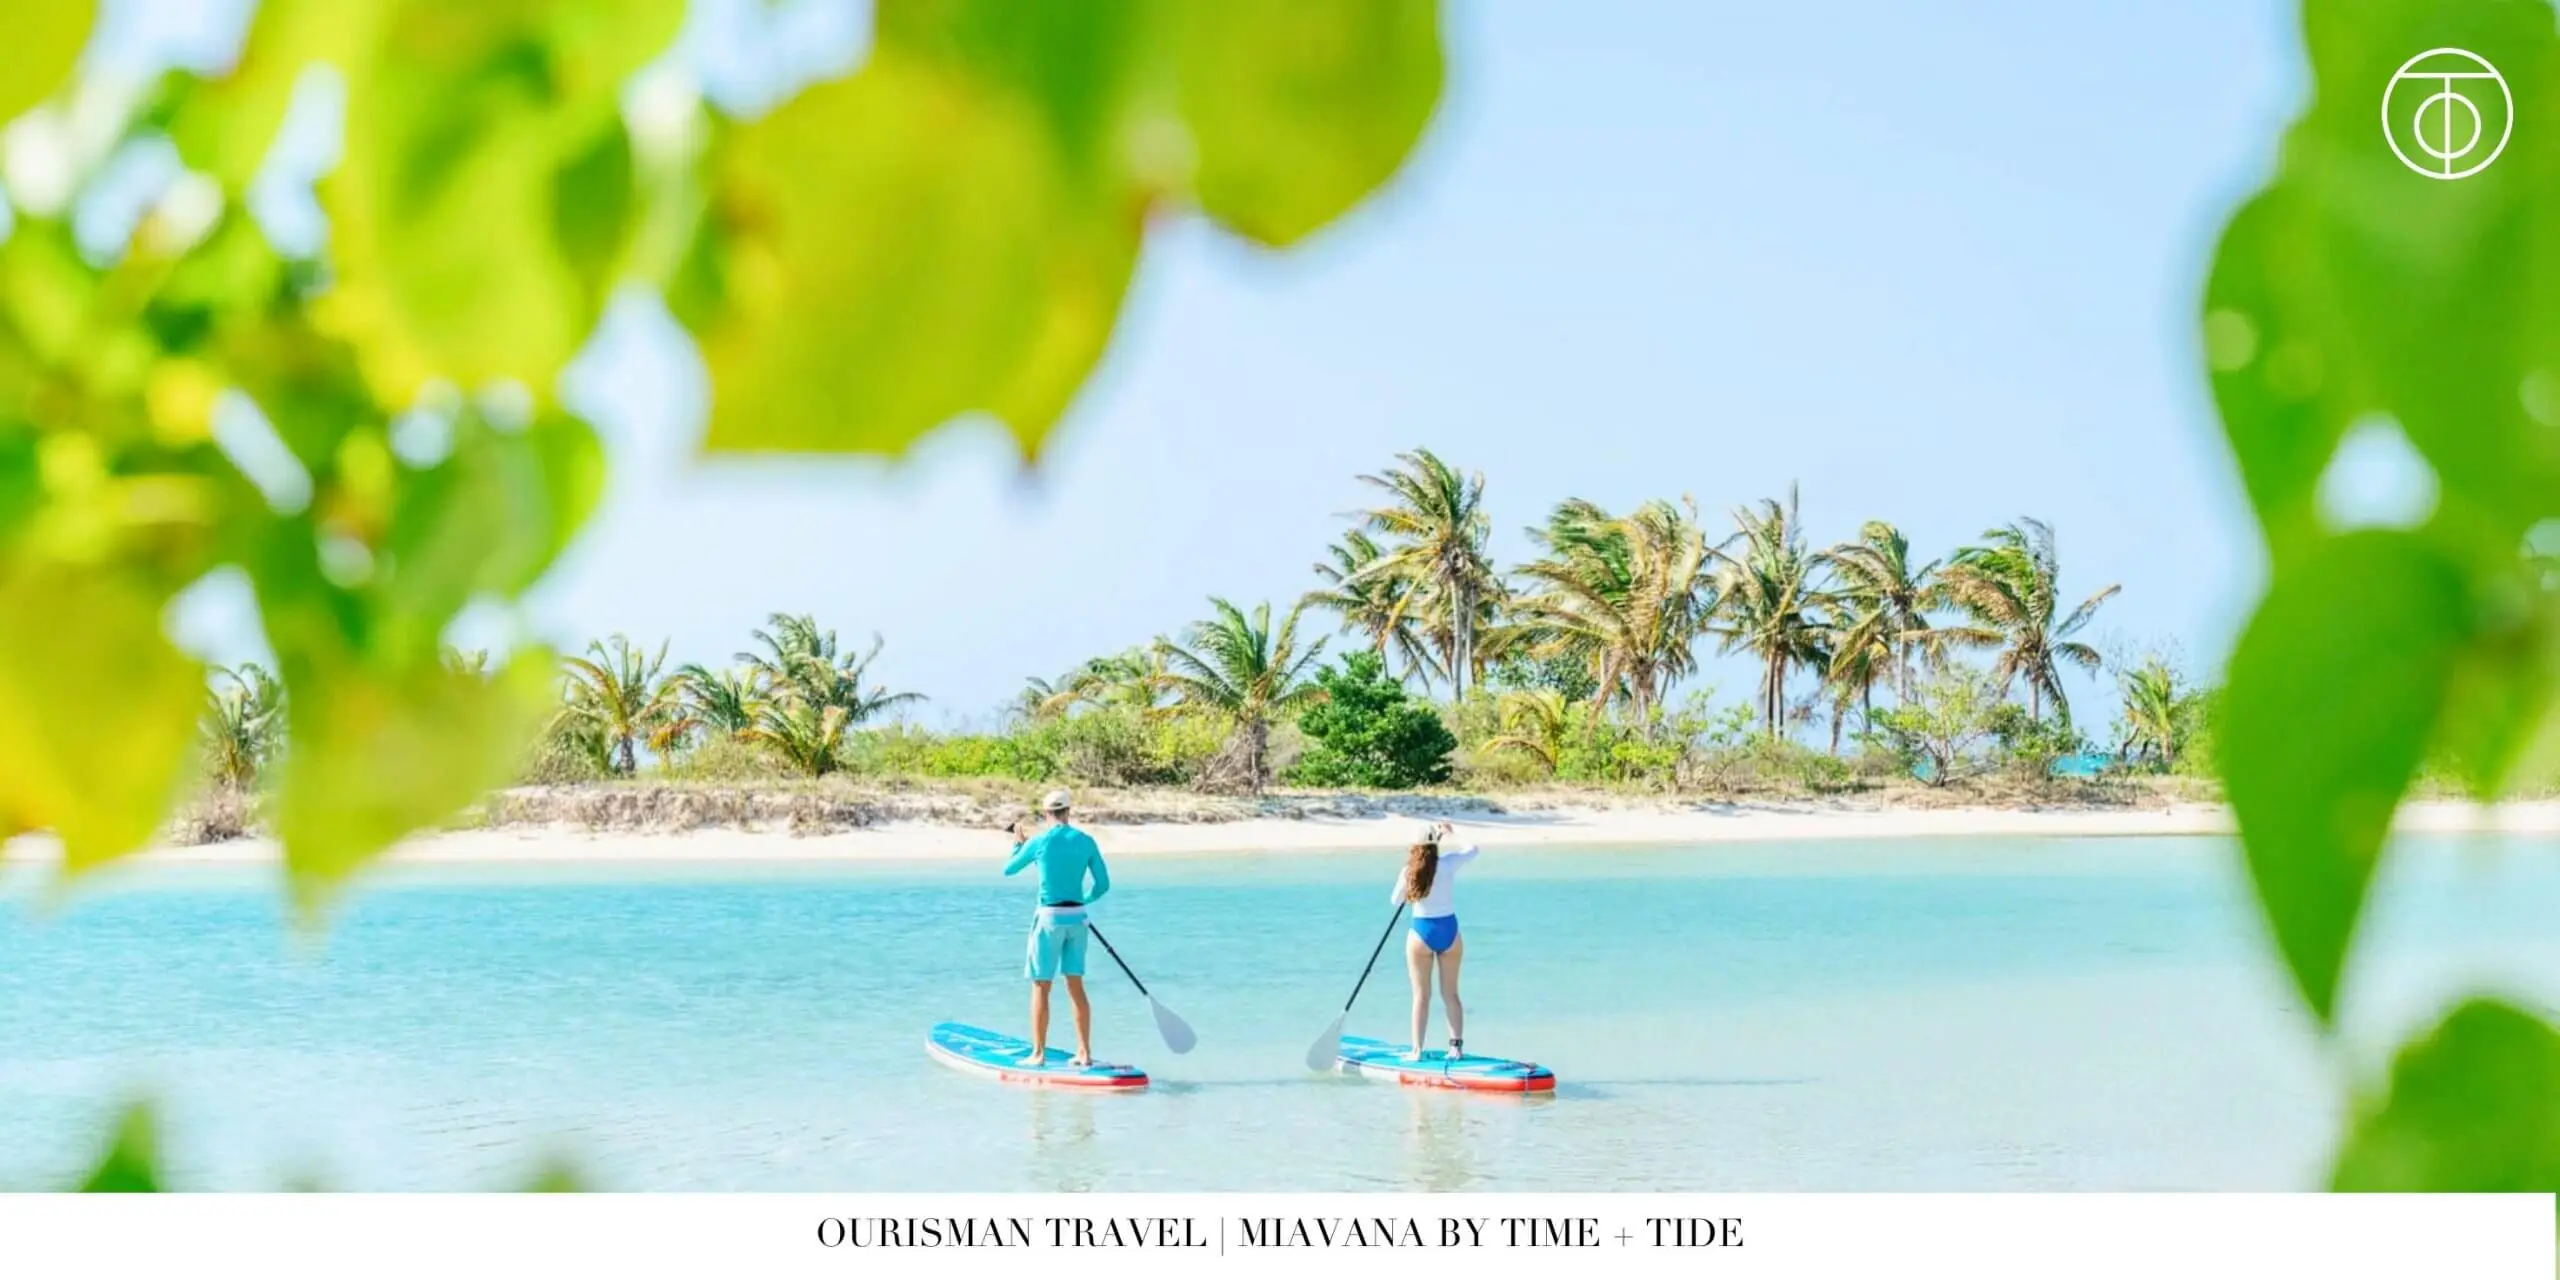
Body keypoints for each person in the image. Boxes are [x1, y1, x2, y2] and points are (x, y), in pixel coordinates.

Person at [1003, 789, 1111, 1066]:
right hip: (1078, 919)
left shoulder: (1040, 841)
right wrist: (1082, 900)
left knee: (1041, 985)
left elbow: (1010, 869)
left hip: (1049, 919)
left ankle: (1038, 1054)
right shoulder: (1086, 841)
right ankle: (1084, 1053)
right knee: (1075, 985)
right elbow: (1103, 885)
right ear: (1068, 811)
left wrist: (1018, 844)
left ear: (1046, 813)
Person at [1392, 820, 1479, 1063]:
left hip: (1422, 932)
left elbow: (1395, 901)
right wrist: (1453, 833)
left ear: (1415, 846)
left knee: (1421, 995)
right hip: (1450, 931)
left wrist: (1412, 890)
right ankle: (1456, 1049)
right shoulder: (1449, 863)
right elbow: (1473, 849)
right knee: (1451, 994)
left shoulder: (1409, 871)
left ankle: (1417, 1051)